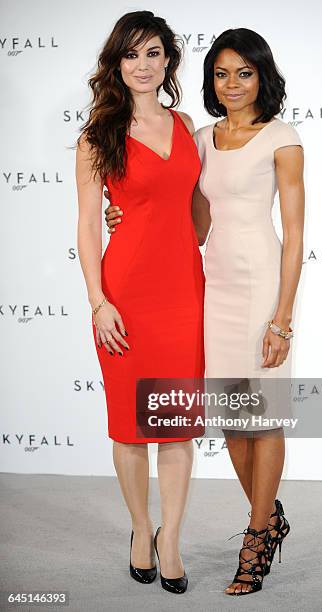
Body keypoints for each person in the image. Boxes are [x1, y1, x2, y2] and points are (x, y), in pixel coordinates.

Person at [105, 27, 305, 597]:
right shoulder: (201, 137)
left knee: (262, 417)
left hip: (262, 283)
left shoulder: (282, 138)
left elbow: (294, 237)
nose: (233, 83)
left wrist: (282, 318)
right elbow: (188, 222)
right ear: (209, 80)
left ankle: (258, 535)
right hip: (210, 287)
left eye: (244, 72)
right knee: (231, 418)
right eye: (221, 73)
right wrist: (126, 217)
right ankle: (270, 516)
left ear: (263, 75)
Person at [75, 11, 205, 595]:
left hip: (184, 290)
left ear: (169, 61)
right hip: (125, 292)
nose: (143, 65)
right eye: (131, 54)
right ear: (116, 64)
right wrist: (98, 301)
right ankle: (140, 529)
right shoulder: (96, 135)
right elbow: (87, 228)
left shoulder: (186, 124)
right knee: (130, 428)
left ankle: (172, 539)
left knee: (175, 427)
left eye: (153, 53)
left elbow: (197, 212)